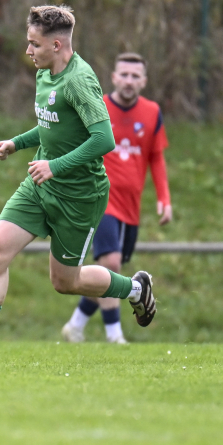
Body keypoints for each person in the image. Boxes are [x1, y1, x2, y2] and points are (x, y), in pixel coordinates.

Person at [0, 5, 156, 363]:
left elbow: (104, 140)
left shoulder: (80, 81)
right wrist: (17, 142)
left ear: (56, 44)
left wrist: (55, 165)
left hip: (79, 196)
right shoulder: (46, 73)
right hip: (40, 186)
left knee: (65, 282)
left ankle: (135, 288)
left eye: (34, 44)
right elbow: (54, 124)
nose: (28, 51)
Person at [62, 52, 171, 344]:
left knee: (112, 272)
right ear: (113, 77)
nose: (128, 81)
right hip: (100, 199)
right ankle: (115, 335)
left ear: (144, 82)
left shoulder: (152, 113)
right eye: (123, 74)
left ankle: (75, 324)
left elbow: (156, 158)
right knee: (110, 263)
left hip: (131, 209)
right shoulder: (98, 107)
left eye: (135, 76)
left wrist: (165, 198)